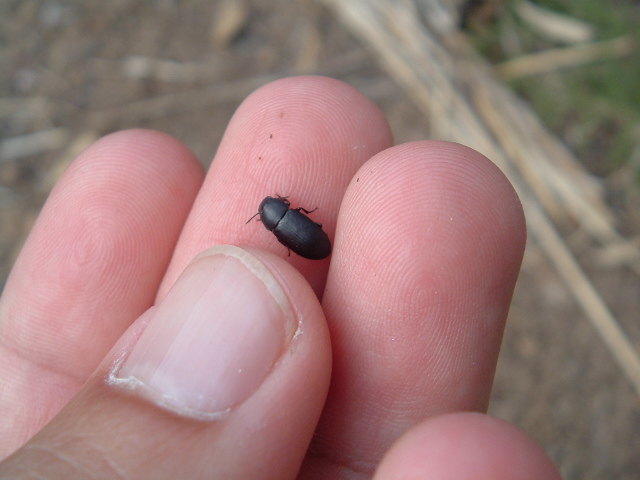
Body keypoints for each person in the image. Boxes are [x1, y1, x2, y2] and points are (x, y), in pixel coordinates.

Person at [0, 76, 561, 479]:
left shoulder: (284, 222)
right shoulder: (288, 219)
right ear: (282, 213)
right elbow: (301, 231)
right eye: (277, 210)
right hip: (307, 241)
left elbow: (300, 233)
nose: (277, 210)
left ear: (280, 213)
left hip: (306, 243)